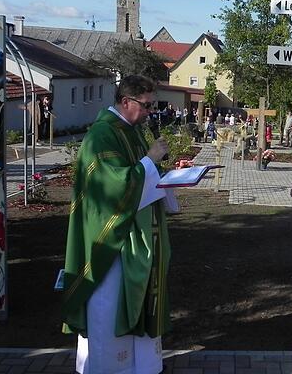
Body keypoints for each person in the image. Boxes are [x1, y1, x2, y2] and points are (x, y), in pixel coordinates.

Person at [62, 75, 172, 374]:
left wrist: (165, 171)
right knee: (108, 304)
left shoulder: (130, 129)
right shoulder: (102, 135)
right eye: (147, 105)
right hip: (109, 237)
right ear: (126, 102)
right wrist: (150, 160)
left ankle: (142, 367)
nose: (151, 111)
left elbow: (141, 173)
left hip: (136, 236)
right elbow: (112, 187)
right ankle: (109, 367)